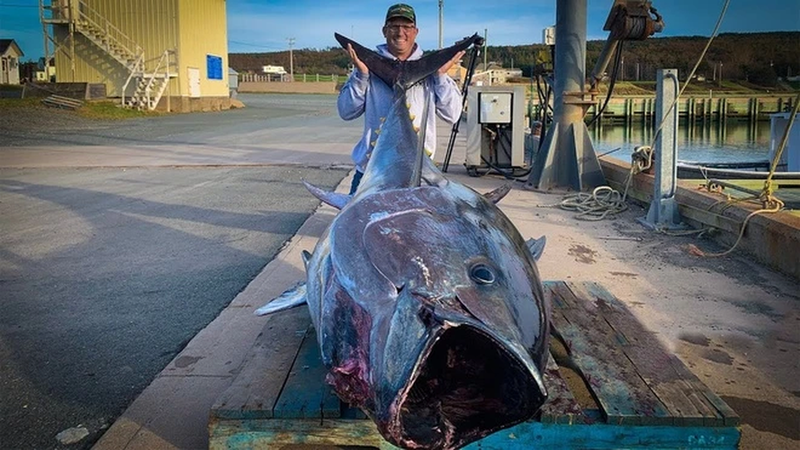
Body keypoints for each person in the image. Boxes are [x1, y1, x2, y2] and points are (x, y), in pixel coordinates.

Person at [337, 3, 465, 195]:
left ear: (415, 31)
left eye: (406, 27)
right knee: (358, 224)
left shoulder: (431, 72)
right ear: (384, 31)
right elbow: (346, 112)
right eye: (394, 26)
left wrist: (439, 77)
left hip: (419, 174)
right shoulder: (366, 69)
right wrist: (362, 75)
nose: (400, 32)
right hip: (372, 172)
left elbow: (453, 115)